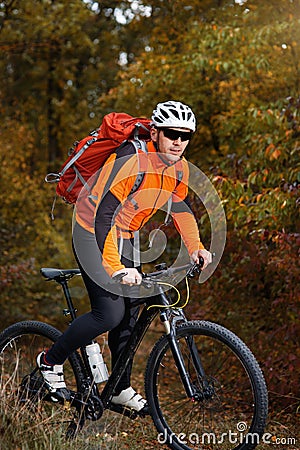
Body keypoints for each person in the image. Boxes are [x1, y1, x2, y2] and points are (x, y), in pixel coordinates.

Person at [37, 100, 212, 413]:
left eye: (186, 136)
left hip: (127, 235)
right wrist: (116, 268)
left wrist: (196, 245)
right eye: (171, 133)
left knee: (131, 312)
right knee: (109, 314)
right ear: (156, 132)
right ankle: (49, 361)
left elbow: (181, 209)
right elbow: (103, 214)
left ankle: (119, 389)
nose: (178, 141)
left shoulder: (179, 168)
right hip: (92, 230)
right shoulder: (131, 159)